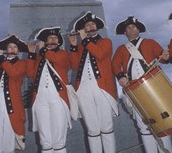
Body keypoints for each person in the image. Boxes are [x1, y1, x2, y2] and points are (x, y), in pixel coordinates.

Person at [112, 15, 172, 153]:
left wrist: (166, 56)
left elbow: (162, 58)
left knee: (161, 123)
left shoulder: (150, 42)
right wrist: (120, 76)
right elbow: (115, 65)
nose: (131, 29)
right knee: (143, 125)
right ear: (125, 33)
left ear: (138, 30)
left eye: (134, 27)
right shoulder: (121, 49)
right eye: (128, 28)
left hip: (154, 88)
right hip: (135, 90)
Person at [68, 11, 118, 153]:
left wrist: (84, 41)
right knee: (92, 128)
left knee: (106, 126)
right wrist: (73, 46)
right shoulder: (81, 45)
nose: (89, 26)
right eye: (87, 25)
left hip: (102, 87)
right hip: (83, 88)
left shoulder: (105, 42)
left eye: (92, 24)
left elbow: (100, 54)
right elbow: (74, 65)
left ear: (96, 27)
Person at [27, 26, 71, 153]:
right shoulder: (39, 56)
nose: (52, 40)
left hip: (58, 97)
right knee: (44, 139)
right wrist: (31, 54)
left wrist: (42, 50)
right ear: (45, 41)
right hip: (40, 98)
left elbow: (56, 59)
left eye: (55, 38)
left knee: (59, 140)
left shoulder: (63, 54)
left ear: (59, 42)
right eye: (49, 38)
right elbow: (30, 73)